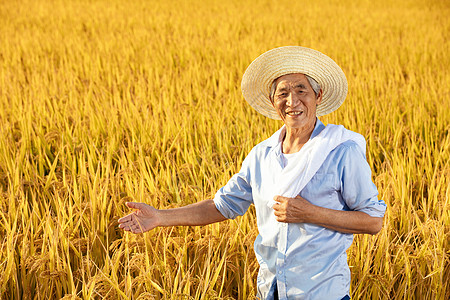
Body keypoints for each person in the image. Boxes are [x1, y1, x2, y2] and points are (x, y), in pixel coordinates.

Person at [118, 46, 387, 300]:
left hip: (322, 292)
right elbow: (221, 206)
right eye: (283, 93)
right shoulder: (262, 155)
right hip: (270, 289)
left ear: (318, 96)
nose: (292, 101)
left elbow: (373, 221)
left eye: (301, 90)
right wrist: (160, 217)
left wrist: (309, 213)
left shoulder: (341, 151)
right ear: (273, 101)